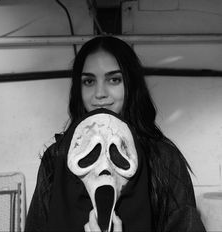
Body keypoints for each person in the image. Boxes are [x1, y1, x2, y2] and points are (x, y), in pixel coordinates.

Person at [25, 36, 206, 232]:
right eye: (88, 81)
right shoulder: (56, 157)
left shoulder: (163, 160)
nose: (100, 93)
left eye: (114, 79)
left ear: (131, 84)